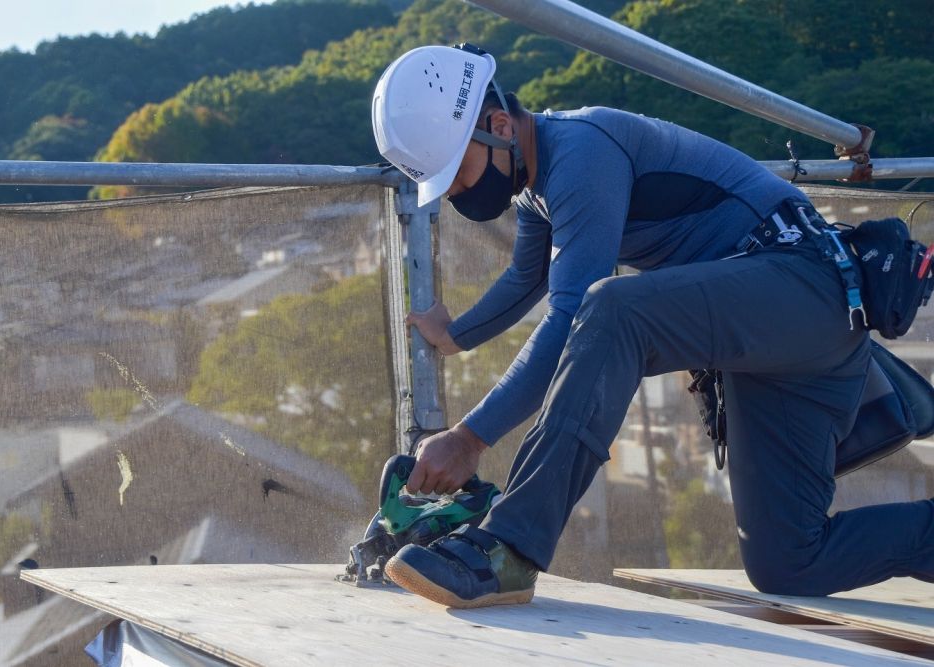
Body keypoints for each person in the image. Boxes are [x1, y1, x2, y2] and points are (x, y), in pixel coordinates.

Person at [371, 43, 934, 609]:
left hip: (802, 286)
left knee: (616, 310)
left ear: (497, 126)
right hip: (774, 334)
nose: (459, 194)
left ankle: (508, 547)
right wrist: (456, 336)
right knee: (789, 560)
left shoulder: (582, 153)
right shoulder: (537, 189)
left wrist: (469, 439)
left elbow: (572, 317)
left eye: (458, 174)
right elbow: (526, 280)